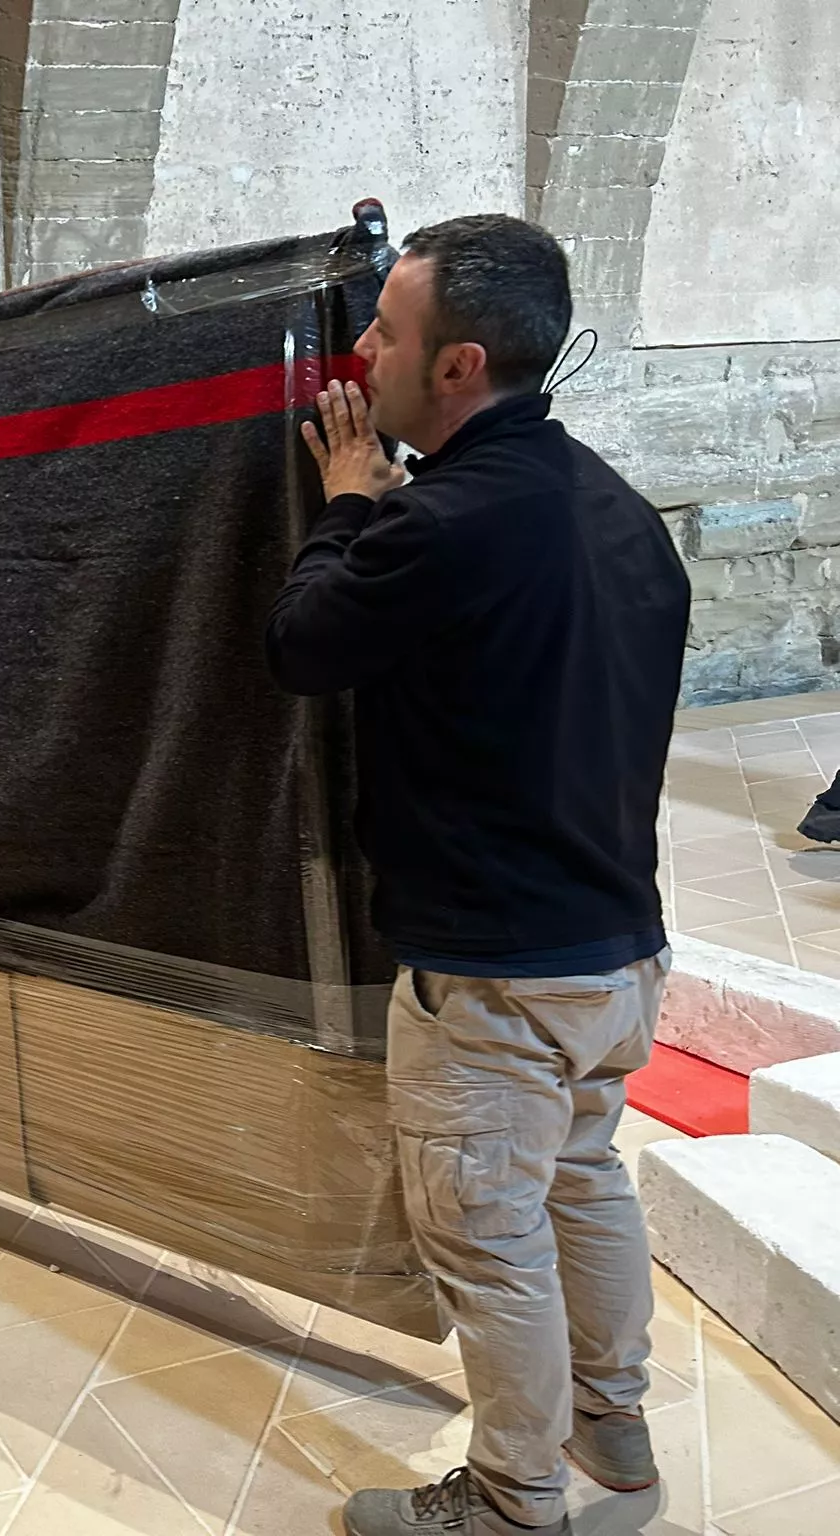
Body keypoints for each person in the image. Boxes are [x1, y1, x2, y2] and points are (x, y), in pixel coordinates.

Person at [265, 215, 691, 1536]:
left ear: (456, 366)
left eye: (386, 330)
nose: (361, 351)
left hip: (496, 978)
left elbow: (302, 643)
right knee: (583, 1181)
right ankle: (613, 1432)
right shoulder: (620, 515)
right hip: (619, 955)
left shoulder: (440, 524)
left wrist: (345, 501)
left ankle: (514, 1504)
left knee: (491, 1246)